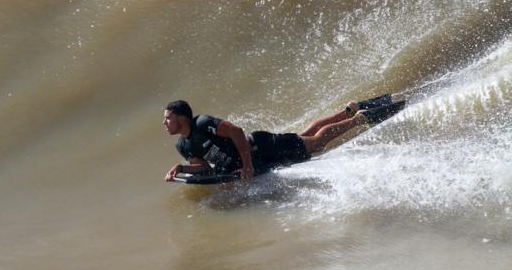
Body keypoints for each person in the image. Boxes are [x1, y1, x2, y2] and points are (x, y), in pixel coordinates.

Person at [163, 95, 400, 182]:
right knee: (304, 136)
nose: (165, 123)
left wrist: (247, 165)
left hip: (263, 146)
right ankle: (349, 109)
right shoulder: (182, 144)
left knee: (315, 144)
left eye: (168, 118)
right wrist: (180, 168)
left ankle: (358, 119)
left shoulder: (202, 123)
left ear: (182, 117)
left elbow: (236, 132)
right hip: (260, 154)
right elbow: (202, 167)